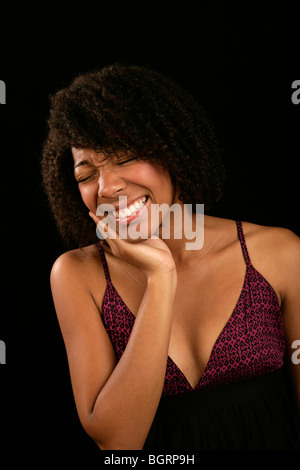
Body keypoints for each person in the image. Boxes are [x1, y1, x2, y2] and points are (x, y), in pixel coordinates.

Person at [42, 64, 300, 450]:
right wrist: (160, 275)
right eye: (86, 175)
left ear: (172, 149)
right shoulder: (79, 275)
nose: (107, 187)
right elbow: (119, 442)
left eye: (125, 156)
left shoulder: (278, 253)